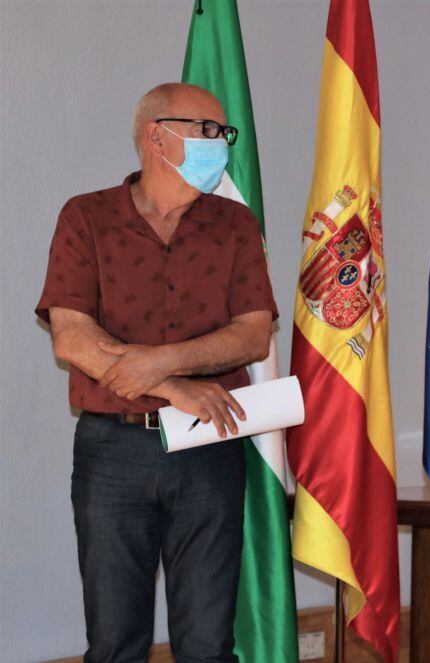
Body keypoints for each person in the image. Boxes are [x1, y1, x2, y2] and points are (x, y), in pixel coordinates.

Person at [35, 82, 278, 663]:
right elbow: (73, 337)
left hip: (210, 447)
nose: (220, 143)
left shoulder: (235, 226)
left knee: (206, 644)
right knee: (116, 642)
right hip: (112, 450)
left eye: (224, 134)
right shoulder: (86, 217)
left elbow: (252, 332)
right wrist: (172, 387)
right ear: (156, 137)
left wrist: (163, 359)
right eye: (207, 131)